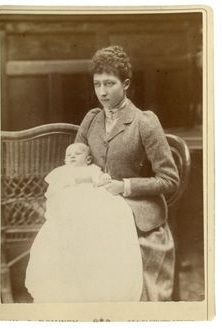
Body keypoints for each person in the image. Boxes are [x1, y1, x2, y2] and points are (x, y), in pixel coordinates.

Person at [75, 45, 180, 301]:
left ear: (126, 84)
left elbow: (170, 180)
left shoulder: (144, 122)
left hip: (138, 215)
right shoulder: (91, 120)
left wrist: (126, 187)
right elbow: (74, 166)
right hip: (97, 210)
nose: (102, 91)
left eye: (109, 83)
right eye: (97, 84)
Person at [25, 142, 143, 302]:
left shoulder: (93, 169)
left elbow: (101, 181)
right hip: (70, 201)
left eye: (77, 154)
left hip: (92, 199)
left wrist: (103, 179)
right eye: (69, 155)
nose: (72, 156)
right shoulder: (61, 172)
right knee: (69, 216)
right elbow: (53, 190)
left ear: (88, 159)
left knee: (108, 210)